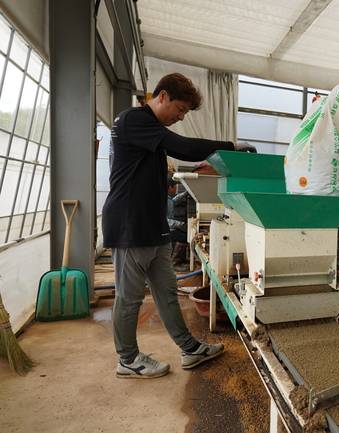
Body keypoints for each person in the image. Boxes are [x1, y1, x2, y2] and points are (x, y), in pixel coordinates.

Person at [103, 73, 255, 379]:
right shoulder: (133, 120)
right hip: (130, 224)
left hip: (153, 224)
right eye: (180, 109)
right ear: (162, 97)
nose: (181, 117)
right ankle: (127, 359)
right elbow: (183, 146)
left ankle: (189, 348)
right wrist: (231, 146)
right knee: (130, 298)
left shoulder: (151, 131)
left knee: (167, 292)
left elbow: (168, 159)